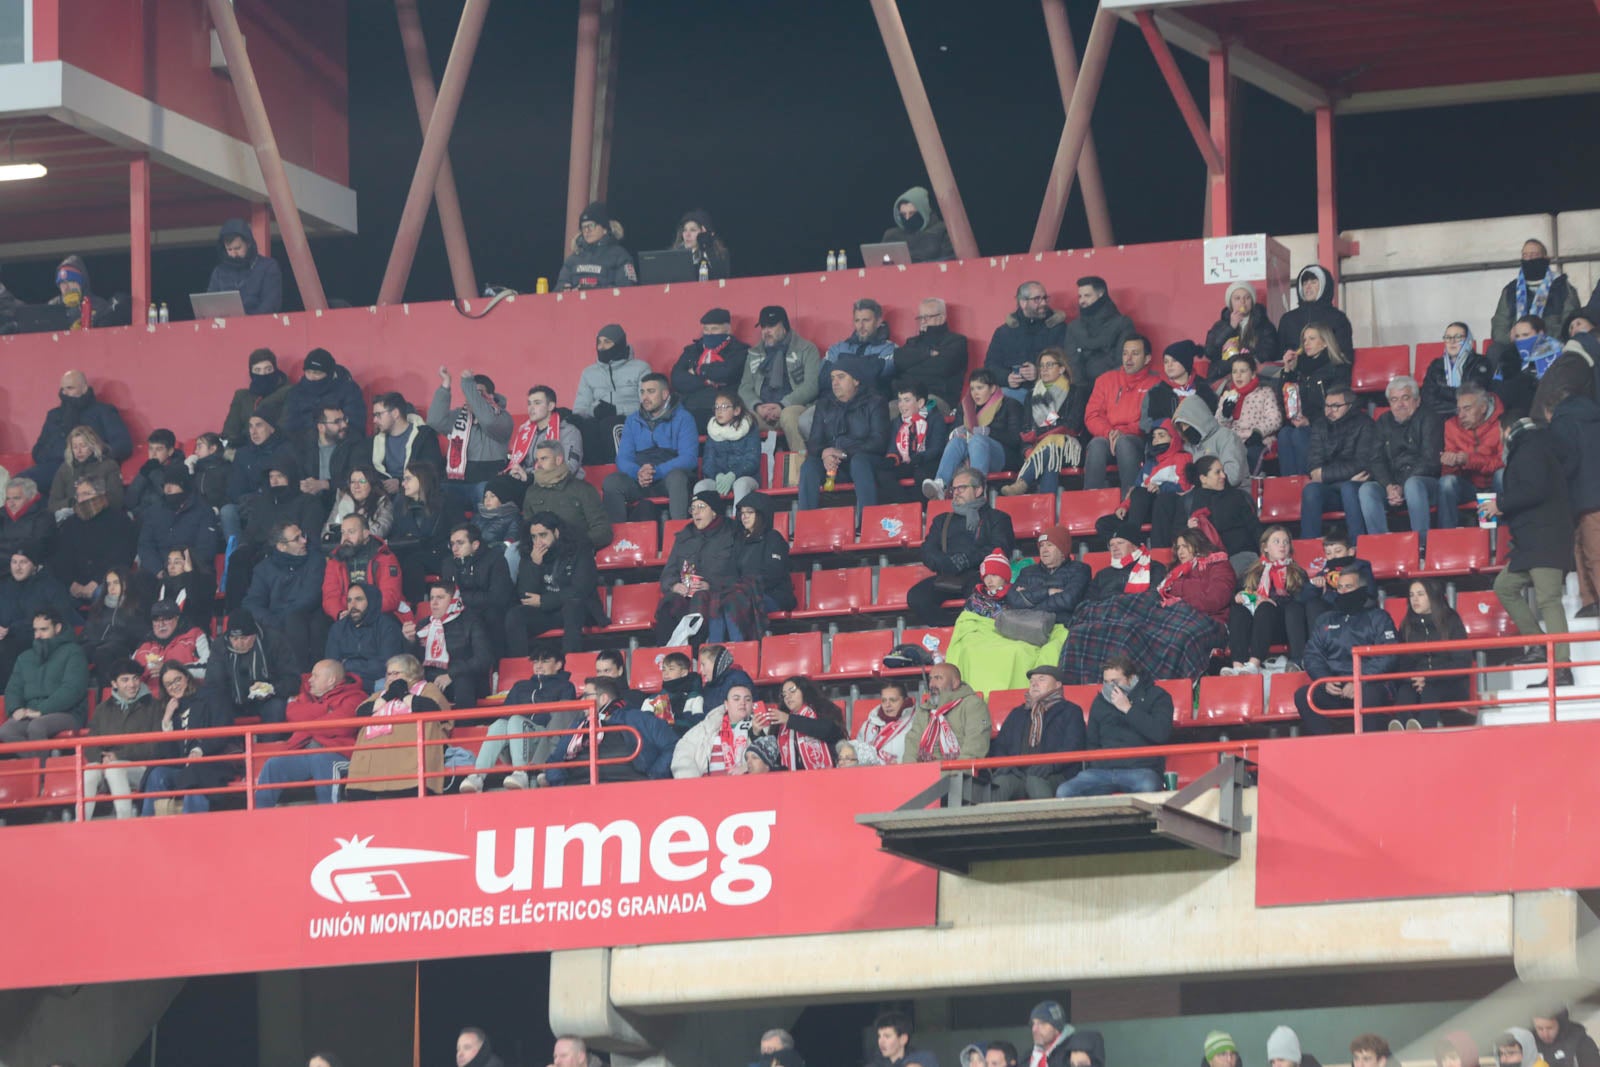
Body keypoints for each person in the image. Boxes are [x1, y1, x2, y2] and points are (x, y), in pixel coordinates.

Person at [1488, 418, 1574, 681]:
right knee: (1504, 586)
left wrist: (1501, 503)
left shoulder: (1530, 448)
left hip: (1545, 538)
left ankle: (1561, 669)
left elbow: (1534, 490)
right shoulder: (1534, 446)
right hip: (1532, 542)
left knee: (1548, 600)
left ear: (1507, 429)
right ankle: (1537, 644)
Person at [460, 643, 579, 792]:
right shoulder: (520, 686)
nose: (539, 666)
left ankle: (520, 773)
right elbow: (505, 714)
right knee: (498, 725)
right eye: (536, 662)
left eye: (545, 661)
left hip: (544, 741)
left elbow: (563, 719)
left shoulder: (566, 686)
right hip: (515, 741)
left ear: (558, 665)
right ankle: (477, 777)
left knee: (516, 719)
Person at [1294, 567, 1398, 734]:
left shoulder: (1379, 617)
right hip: (1335, 685)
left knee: (1369, 695)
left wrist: (1358, 681)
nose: (1342, 592)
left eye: (1348, 587)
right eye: (1340, 587)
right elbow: (1312, 654)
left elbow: (1388, 654)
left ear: (1362, 589)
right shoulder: (1325, 619)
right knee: (1304, 695)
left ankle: (1369, 747)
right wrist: (1325, 680)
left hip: (1369, 683)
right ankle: (1327, 746)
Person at [909, 466, 1015, 625]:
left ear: (978, 490)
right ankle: (952, 626)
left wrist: (966, 560)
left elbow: (1001, 548)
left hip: (980, 576)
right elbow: (927, 550)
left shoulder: (997, 518)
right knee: (916, 597)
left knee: (981, 599)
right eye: (954, 488)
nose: (956, 492)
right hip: (947, 574)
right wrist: (946, 563)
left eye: (962, 488)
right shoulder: (942, 520)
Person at [1057, 655, 1173, 796]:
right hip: (1102, 771)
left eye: (1115, 681)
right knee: (1065, 791)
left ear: (1131, 679)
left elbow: (1161, 733)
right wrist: (1097, 764)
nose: (1110, 687)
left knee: (1147, 785)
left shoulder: (1157, 696)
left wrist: (1128, 709)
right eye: (1106, 682)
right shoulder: (1100, 702)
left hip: (1141, 769)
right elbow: (1092, 742)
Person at [254, 659, 366, 806]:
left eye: (315, 676)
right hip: (307, 752)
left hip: (341, 755)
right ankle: (259, 819)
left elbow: (340, 726)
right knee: (274, 764)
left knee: (321, 759)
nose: (310, 680)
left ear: (331, 680)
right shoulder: (308, 694)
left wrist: (308, 723)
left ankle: (331, 818)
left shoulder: (355, 696)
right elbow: (292, 714)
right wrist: (326, 711)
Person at [344, 654, 451, 799]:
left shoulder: (427, 688)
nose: (391, 677)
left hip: (410, 756)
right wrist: (387, 697)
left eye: (396, 673)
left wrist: (404, 694)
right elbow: (361, 712)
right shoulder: (380, 694)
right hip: (376, 760)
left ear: (412, 674)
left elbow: (433, 707)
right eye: (389, 674)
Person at [1543, 361, 1600, 620]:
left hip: (1585, 499)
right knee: (1585, 549)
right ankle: (1590, 602)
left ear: (1549, 411)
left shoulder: (1562, 422)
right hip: (1589, 498)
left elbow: (1568, 460)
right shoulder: (1593, 417)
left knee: (1593, 553)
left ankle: (1593, 600)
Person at [541, 676, 675, 785]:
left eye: (586, 695)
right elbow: (554, 761)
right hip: (581, 793)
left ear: (603, 698)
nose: (582, 700)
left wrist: (653, 778)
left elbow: (672, 745)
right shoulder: (578, 725)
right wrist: (562, 785)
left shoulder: (637, 718)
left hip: (630, 790)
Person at [139, 665, 235, 815]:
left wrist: (199, 750)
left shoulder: (210, 696)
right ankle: (150, 828)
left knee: (194, 775)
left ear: (187, 677)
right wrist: (167, 720)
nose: (174, 686)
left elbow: (223, 731)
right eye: (169, 684)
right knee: (157, 773)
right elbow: (169, 755)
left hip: (212, 763)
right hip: (184, 767)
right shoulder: (171, 709)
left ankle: (192, 830)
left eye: (177, 680)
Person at [799, 357, 891, 510]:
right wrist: (825, 453)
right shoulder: (824, 404)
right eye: (832, 378)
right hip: (834, 466)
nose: (835, 383)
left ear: (856, 380)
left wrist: (843, 454)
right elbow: (814, 442)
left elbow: (878, 442)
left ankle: (866, 523)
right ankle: (806, 523)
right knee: (809, 466)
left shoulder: (875, 402)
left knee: (859, 462)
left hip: (866, 465)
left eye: (841, 377)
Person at [1362, 375, 1444, 543]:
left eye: (1405, 398)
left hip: (1425, 484)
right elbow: (1375, 459)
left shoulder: (1430, 418)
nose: (1400, 405)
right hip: (1394, 485)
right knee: (1367, 490)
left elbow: (1430, 461)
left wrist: (1403, 486)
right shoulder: (1383, 421)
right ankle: (1382, 545)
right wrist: (1389, 486)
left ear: (1417, 400)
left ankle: (1421, 546)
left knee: (1413, 485)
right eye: (1394, 400)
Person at [605, 373, 698, 522]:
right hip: (640, 479)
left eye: (651, 391)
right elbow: (623, 458)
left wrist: (657, 472)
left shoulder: (684, 418)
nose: (645, 397)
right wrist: (638, 473)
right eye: (642, 392)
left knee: (678, 478)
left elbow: (689, 459)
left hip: (667, 477)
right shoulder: (632, 420)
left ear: (665, 394)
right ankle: (619, 541)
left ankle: (679, 535)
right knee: (612, 482)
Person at [508, 512, 601, 655]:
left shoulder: (579, 549)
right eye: (534, 537)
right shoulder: (531, 554)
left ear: (556, 533)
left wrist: (544, 601)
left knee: (573, 605)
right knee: (516, 615)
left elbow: (580, 590)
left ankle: (570, 661)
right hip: (548, 612)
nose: (538, 542)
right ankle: (521, 668)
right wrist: (534, 565)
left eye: (543, 535)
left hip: (578, 610)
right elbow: (525, 595)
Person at [81, 659, 163, 820]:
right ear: (114, 683)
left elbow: (155, 747)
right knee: (90, 771)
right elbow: (90, 744)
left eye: (135, 678)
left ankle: (124, 822)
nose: (132, 684)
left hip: (142, 770)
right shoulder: (102, 709)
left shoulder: (154, 706)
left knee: (114, 768)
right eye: (125, 680)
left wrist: (118, 756)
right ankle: (80, 824)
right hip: (107, 766)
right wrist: (101, 758)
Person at [923, 369, 1023, 500]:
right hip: (970, 453)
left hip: (1002, 456)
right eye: (972, 389)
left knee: (978, 440)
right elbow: (954, 433)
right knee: (956, 442)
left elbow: (1015, 440)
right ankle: (941, 484)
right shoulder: (965, 406)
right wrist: (955, 432)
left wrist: (989, 432)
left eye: (980, 388)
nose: (975, 393)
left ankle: (977, 489)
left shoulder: (1010, 405)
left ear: (992, 388)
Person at [989, 665, 1085, 800]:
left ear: (1057, 685)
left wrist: (1050, 765)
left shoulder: (1070, 711)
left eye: (1041, 679)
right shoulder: (1017, 713)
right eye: (1032, 681)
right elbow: (1000, 745)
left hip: (1055, 774)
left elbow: (1073, 746)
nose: (1034, 684)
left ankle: (1048, 821)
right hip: (1019, 773)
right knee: (1000, 783)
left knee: (1035, 781)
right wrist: (1006, 764)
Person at [1222, 526, 1309, 675]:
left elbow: (1299, 604)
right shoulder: (1252, 572)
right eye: (1276, 541)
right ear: (1265, 547)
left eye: (1286, 542)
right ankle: (1237, 665)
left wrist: (1266, 600)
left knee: (1265, 607)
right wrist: (1240, 596)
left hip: (1280, 627)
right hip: (1254, 626)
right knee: (1239, 609)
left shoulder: (1297, 572)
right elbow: (1236, 595)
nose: (1282, 545)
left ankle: (1254, 664)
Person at [23, 370, 132, 489]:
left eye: (70, 388)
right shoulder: (54, 415)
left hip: (90, 468)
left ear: (84, 388)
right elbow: (38, 449)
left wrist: (94, 457)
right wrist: (53, 455)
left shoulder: (103, 411)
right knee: (18, 485)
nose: (65, 393)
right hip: (53, 467)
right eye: (63, 389)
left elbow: (123, 445)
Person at [1002, 347, 1087, 497]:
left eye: (1049, 365)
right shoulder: (1031, 395)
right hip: (1040, 449)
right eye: (1042, 366)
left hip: (1069, 447)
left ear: (1061, 369)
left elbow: (1072, 424)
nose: (1044, 369)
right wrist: (1027, 449)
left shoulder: (1075, 392)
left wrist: (1040, 434)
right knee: (1050, 457)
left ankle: (1022, 482)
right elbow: (1026, 430)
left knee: (1051, 446)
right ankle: (1047, 516)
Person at [654, 490, 737, 645]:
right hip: (685, 596)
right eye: (693, 508)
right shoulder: (685, 536)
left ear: (714, 511)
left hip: (717, 595)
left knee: (701, 599)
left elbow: (739, 573)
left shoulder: (731, 532)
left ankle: (695, 654)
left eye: (701, 507)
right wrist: (674, 586)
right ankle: (665, 655)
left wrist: (710, 586)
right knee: (669, 602)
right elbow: (668, 573)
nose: (696, 512)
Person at [1387, 578, 1472, 729]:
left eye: (1420, 594)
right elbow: (1402, 664)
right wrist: (1414, 678)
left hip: (1450, 682)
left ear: (1432, 595)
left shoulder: (1451, 621)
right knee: (1405, 692)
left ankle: (1425, 731)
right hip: (1416, 682)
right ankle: (1402, 731)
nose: (1415, 599)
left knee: (1430, 689)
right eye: (1411, 595)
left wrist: (1429, 676)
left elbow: (1461, 662)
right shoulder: (1406, 624)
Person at [243, 522, 327, 670]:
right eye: (297, 539)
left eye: (302, 535)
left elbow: (312, 596)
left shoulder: (316, 560)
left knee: (299, 621)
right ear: (281, 547)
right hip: (275, 623)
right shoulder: (264, 569)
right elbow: (252, 603)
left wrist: (284, 618)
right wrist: (271, 620)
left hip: (308, 619)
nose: (304, 540)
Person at [1083, 335, 1161, 490]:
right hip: (1107, 436)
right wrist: (1109, 432)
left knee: (1124, 443)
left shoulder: (1156, 384)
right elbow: (1092, 415)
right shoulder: (1105, 380)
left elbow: (1152, 420)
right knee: (1096, 444)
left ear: (1147, 359)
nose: (1128, 358)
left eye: (1135, 353)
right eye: (1125, 353)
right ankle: (1091, 503)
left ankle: (1130, 502)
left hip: (1137, 440)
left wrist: (1122, 432)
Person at [739, 305, 821, 454]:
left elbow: (812, 385)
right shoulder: (754, 353)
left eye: (771, 326)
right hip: (763, 411)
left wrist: (782, 405)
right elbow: (744, 387)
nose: (766, 331)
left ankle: (801, 468)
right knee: (740, 419)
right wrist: (757, 406)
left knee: (788, 416)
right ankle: (746, 471)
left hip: (795, 407)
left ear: (784, 327)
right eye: (763, 327)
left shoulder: (806, 349)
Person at [0, 609, 89, 746]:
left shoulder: (74, 652)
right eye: (35, 630)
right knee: (6, 731)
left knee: (37, 726)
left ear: (58, 628)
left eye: (43, 630)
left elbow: (72, 690)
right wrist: (16, 708)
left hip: (68, 713)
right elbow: (13, 689)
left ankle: (41, 765)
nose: (38, 635)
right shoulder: (25, 657)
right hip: (30, 714)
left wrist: (41, 710)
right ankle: (41, 762)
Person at [429, 366, 512, 511]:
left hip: (487, 483)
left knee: (485, 490)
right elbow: (435, 421)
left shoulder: (502, 418)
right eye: (470, 394)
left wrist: (467, 384)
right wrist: (446, 385)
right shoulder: (459, 416)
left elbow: (488, 420)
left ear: (491, 397)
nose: (473, 399)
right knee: (437, 494)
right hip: (457, 481)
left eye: (478, 394)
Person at [1300, 385, 1379, 538]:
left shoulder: (1365, 424)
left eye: (1336, 406)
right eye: (1327, 406)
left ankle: (1357, 545)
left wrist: (1325, 474)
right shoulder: (1320, 425)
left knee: (1349, 488)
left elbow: (1362, 464)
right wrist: (1344, 476)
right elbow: (1314, 465)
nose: (1329, 411)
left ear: (1350, 406)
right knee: (1311, 491)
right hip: (1332, 488)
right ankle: (1309, 548)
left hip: (1356, 486)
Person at [1094, 420, 1189, 543]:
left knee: (1141, 493)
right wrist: (1124, 506)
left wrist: (1161, 488)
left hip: (1164, 508)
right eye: (1154, 437)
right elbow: (1136, 488)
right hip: (1140, 510)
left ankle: (1132, 538)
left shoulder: (1183, 458)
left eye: (1162, 435)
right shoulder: (1149, 463)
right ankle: (1129, 545)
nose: (1157, 440)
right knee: (1103, 524)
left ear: (1173, 438)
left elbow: (1185, 487)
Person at [403, 580, 493, 709]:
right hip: (433, 681)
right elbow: (414, 664)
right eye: (432, 598)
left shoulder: (472, 622)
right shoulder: (424, 625)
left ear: (453, 600)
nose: (433, 603)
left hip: (466, 681)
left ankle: (465, 727)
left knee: (462, 682)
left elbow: (484, 659)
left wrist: (452, 674)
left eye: (440, 598)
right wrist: (410, 642)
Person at [1276, 324, 1352, 476]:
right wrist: (1287, 371)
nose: (1306, 344)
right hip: (1302, 422)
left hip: (1328, 425)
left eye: (1312, 339)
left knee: (1299, 434)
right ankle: (1290, 485)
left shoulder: (1337, 367)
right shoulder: (1299, 368)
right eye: (1304, 340)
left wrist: (1310, 420)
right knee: (1285, 433)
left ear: (1324, 342)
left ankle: (1308, 481)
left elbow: (1338, 406)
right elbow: (1283, 399)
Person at [1155, 455, 1258, 566]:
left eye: (1223, 471)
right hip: (1203, 561)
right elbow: (1177, 534)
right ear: (1203, 478)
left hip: (1239, 555)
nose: (1223, 476)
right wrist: (1188, 529)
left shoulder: (1237, 496)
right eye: (1217, 472)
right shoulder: (1187, 501)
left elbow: (1254, 527)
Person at [206, 607, 298, 728]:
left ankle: (267, 746)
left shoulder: (274, 641)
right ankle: (229, 746)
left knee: (277, 706)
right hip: (232, 701)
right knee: (217, 704)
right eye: (234, 639)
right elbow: (213, 683)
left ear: (254, 635)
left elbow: (292, 679)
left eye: (244, 638)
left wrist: (271, 688)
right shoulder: (219, 646)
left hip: (267, 700)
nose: (239, 643)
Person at [573, 323, 649, 463]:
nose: (601, 347)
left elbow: (649, 405)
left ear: (619, 343)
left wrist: (617, 410)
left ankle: (619, 469)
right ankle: (595, 474)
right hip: (599, 421)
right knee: (587, 426)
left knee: (611, 423)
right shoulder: (588, 373)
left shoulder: (640, 368)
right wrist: (594, 411)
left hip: (631, 420)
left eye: (607, 342)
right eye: (599, 342)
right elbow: (580, 408)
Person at [52, 476, 135, 602]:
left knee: (104, 594)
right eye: (78, 495)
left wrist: (96, 582)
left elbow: (121, 556)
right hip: (74, 583)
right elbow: (62, 557)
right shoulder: (70, 523)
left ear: (101, 494)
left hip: (105, 581)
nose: (81, 499)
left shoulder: (119, 520)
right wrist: (72, 583)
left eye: (86, 494)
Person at [1492, 239, 1583, 350]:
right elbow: (1499, 325)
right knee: (1495, 350)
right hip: (1516, 347)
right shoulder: (1510, 290)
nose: (1529, 258)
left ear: (1545, 258)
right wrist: (1511, 337)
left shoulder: (1562, 286)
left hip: (1551, 346)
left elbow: (1570, 321)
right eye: (1525, 255)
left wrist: (1543, 339)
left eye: (1534, 254)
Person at [726, 493, 796, 635]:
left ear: (761, 514)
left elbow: (773, 573)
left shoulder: (773, 538)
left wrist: (747, 587)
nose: (744, 516)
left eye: (750, 512)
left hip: (772, 596)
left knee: (735, 603)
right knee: (717, 606)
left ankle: (741, 650)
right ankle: (717, 652)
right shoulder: (738, 542)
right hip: (742, 595)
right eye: (742, 513)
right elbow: (731, 572)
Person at [521, 440, 611, 550]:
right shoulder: (532, 492)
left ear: (558, 460)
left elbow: (603, 531)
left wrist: (574, 545)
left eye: (544, 459)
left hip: (575, 555)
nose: (538, 465)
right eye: (537, 460)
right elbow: (526, 531)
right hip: (543, 555)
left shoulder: (583, 490)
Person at [988, 281, 1068, 403]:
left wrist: (1039, 372)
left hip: (1049, 389)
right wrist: (1007, 378)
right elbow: (990, 366)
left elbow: (1068, 364)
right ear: (1023, 303)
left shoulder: (1059, 328)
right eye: (1037, 299)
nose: (1044, 303)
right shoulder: (1004, 332)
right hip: (1013, 391)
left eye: (1045, 298)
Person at [441, 522, 514, 655]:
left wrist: (462, 597)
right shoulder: (448, 563)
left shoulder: (495, 559)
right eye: (452, 544)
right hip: (463, 610)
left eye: (460, 543)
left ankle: (498, 666)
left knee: (492, 616)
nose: (454, 548)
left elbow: (498, 598)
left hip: (492, 611)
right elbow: (447, 594)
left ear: (475, 545)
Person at [671, 308, 750, 432]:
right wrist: (706, 381)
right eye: (706, 330)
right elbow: (677, 378)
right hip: (691, 406)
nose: (709, 334)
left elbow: (726, 372)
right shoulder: (693, 350)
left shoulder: (739, 350)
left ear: (728, 329)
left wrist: (698, 370)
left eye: (714, 329)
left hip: (720, 407)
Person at [1438, 381, 1503, 525]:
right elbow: (1449, 474)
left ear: (1483, 408)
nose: (1461, 415)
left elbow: (1503, 462)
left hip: (1496, 485)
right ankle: (1446, 538)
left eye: (1467, 409)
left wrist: (1470, 460)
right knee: (1447, 482)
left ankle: (1506, 535)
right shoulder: (1451, 425)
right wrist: (1451, 464)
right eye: (1459, 409)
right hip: (1470, 487)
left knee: (1503, 475)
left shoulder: (1501, 423)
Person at [751, 676, 847, 770]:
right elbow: (771, 756)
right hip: (790, 781)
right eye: (784, 695)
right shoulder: (781, 721)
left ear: (804, 690)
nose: (788, 697)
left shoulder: (822, 709)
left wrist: (790, 720)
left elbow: (830, 731)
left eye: (792, 691)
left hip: (827, 776)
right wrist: (756, 734)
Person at [387, 462, 451, 603]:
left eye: (408, 479)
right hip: (410, 553)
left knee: (412, 562)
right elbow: (396, 535)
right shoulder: (400, 505)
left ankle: (414, 606)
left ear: (422, 479)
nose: (403, 484)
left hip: (439, 555)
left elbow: (457, 532)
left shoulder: (446, 503)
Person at [321, 513, 403, 620]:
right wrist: (340, 612)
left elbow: (390, 597)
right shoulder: (335, 560)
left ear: (365, 534)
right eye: (343, 533)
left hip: (377, 615)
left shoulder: (384, 557)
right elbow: (330, 596)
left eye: (351, 532)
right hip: (346, 616)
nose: (345, 538)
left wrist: (362, 612)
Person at [905, 662, 991, 762]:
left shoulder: (973, 705)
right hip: (926, 772)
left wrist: (953, 774)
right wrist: (910, 772)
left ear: (955, 683)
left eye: (938, 678)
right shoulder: (924, 710)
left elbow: (974, 748)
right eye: (930, 679)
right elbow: (912, 745)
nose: (932, 684)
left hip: (962, 773)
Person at [1214, 349, 1283, 473]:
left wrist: (1258, 432)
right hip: (1234, 441)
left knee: (1250, 454)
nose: (1238, 375)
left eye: (1243, 371)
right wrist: (1225, 414)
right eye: (1234, 372)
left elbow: (1275, 419)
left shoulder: (1265, 392)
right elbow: (1218, 426)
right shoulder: (1227, 396)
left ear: (1252, 374)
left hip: (1257, 439)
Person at [894, 297, 969, 411]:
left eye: (927, 317)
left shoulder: (957, 342)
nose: (922, 321)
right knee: (888, 408)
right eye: (920, 317)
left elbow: (942, 368)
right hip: (907, 396)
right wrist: (928, 355)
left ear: (941, 318)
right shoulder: (912, 341)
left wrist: (911, 364)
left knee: (919, 412)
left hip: (938, 398)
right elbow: (898, 362)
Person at [325, 581, 404, 687]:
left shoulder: (387, 626)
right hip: (345, 685)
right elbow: (332, 667)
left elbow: (387, 666)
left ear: (371, 601)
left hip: (376, 684)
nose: (352, 605)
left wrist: (347, 664)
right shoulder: (338, 628)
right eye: (349, 600)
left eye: (358, 599)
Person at [1007, 527, 1091, 626]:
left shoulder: (1080, 569)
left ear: (1062, 549)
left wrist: (1028, 600)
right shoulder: (1027, 571)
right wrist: (1047, 592)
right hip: (1028, 626)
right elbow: (1013, 599)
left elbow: (1068, 600)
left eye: (1049, 545)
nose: (1044, 550)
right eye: (1041, 546)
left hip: (1062, 625)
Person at [503, 385, 582, 487]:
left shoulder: (569, 432)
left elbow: (569, 467)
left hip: (560, 485)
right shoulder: (525, 433)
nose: (531, 408)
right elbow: (520, 464)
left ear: (550, 406)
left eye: (537, 403)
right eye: (529, 404)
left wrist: (530, 476)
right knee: (498, 484)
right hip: (530, 482)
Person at [80, 566, 147, 685]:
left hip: (122, 647)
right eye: (108, 584)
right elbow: (87, 631)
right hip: (97, 644)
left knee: (103, 652)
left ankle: (108, 692)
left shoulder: (136, 605)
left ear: (126, 584)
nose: (111, 587)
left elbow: (139, 634)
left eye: (116, 583)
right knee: (78, 652)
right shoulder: (99, 607)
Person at [1063, 276, 1137, 381]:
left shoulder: (1122, 323)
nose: (1082, 301)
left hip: (1112, 387)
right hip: (1081, 390)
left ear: (1101, 294)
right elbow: (1072, 363)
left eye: (1087, 296)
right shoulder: (1073, 327)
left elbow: (1123, 361)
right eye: (1080, 296)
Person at [1157, 529, 1235, 628]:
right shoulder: (1175, 571)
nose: (1180, 552)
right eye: (1178, 547)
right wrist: (1200, 587)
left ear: (1197, 545)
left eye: (1185, 546)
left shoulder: (1218, 563)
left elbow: (1215, 599)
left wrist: (1179, 591)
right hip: (1179, 617)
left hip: (1211, 620)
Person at [290, 403, 363, 509]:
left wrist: (325, 484)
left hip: (342, 500)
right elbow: (296, 473)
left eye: (344, 419)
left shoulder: (354, 442)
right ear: (321, 427)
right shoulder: (304, 444)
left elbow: (358, 478)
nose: (344, 425)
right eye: (337, 422)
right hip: (310, 502)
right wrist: (303, 485)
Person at [369, 392, 444, 495]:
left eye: (378, 415)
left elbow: (430, 472)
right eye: (374, 415)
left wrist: (400, 483)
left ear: (395, 413)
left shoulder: (424, 436)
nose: (374, 420)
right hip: (384, 496)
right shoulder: (376, 440)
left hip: (415, 496)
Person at [886, 379, 950, 497]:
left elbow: (937, 447)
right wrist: (892, 459)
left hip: (928, 461)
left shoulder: (935, 418)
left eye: (906, 400)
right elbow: (893, 448)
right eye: (900, 400)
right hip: (907, 462)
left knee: (921, 473)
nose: (901, 405)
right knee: (884, 475)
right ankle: (905, 505)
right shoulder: (897, 422)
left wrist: (919, 457)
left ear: (920, 403)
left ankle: (923, 510)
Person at [282, 348, 365, 440]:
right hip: (303, 445)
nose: (311, 377)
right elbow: (288, 425)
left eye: (317, 373)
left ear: (329, 374)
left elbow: (355, 425)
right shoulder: (296, 392)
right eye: (308, 372)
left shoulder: (349, 390)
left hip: (340, 444)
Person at [695, 391, 761, 507]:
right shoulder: (713, 431)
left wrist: (734, 474)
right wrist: (717, 475)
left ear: (736, 411)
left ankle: (738, 523)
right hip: (719, 479)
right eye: (716, 407)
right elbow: (708, 462)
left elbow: (752, 460)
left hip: (745, 477)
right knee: (701, 487)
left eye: (724, 407)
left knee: (741, 484)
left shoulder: (749, 428)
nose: (719, 411)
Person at [1276, 264, 1353, 362]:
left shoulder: (1338, 318)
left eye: (1313, 282)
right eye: (1304, 283)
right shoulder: (1288, 319)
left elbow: (1344, 355)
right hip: (1295, 375)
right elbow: (1278, 354)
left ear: (1324, 286)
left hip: (1328, 375)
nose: (1308, 287)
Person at [206, 217, 282, 315]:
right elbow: (210, 305)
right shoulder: (219, 272)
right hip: (226, 328)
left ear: (248, 243)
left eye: (237, 248)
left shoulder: (268, 267)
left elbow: (271, 303)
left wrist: (248, 323)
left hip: (260, 326)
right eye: (229, 249)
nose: (233, 254)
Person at [823, 298, 898, 395]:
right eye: (857, 320)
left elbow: (878, 382)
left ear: (878, 322)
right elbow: (824, 379)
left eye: (866, 320)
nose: (861, 326)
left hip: (872, 405)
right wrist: (868, 366)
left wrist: (843, 369)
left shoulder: (889, 349)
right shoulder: (838, 348)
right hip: (836, 403)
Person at [46, 425, 124, 516]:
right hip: (71, 517)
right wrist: (73, 502)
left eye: (83, 446)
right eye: (74, 447)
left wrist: (91, 501)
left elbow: (117, 501)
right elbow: (52, 505)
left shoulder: (109, 465)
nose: (79, 451)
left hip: (101, 515)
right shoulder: (65, 469)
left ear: (92, 446)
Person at [556, 201, 636, 289]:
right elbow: (558, 292)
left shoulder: (620, 256)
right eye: (583, 227)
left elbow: (628, 290)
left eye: (591, 225)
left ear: (604, 228)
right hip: (576, 303)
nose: (587, 230)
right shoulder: (572, 260)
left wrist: (595, 290)